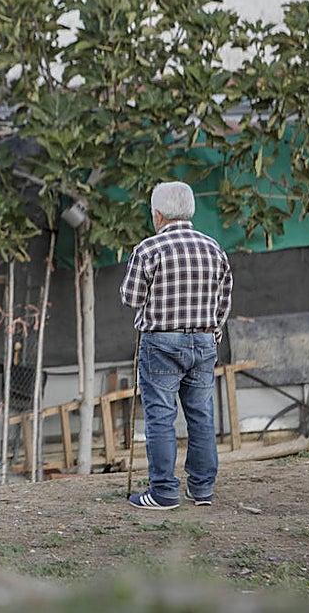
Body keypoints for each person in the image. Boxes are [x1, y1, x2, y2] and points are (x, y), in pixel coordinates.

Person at [119, 181, 232, 511]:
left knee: (160, 417)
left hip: (161, 343)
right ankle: (201, 489)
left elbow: (131, 298)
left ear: (157, 215)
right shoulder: (214, 249)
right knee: (201, 416)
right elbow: (222, 303)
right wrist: (211, 334)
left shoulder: (149, 249)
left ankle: (164, 492)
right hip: (204, 339)